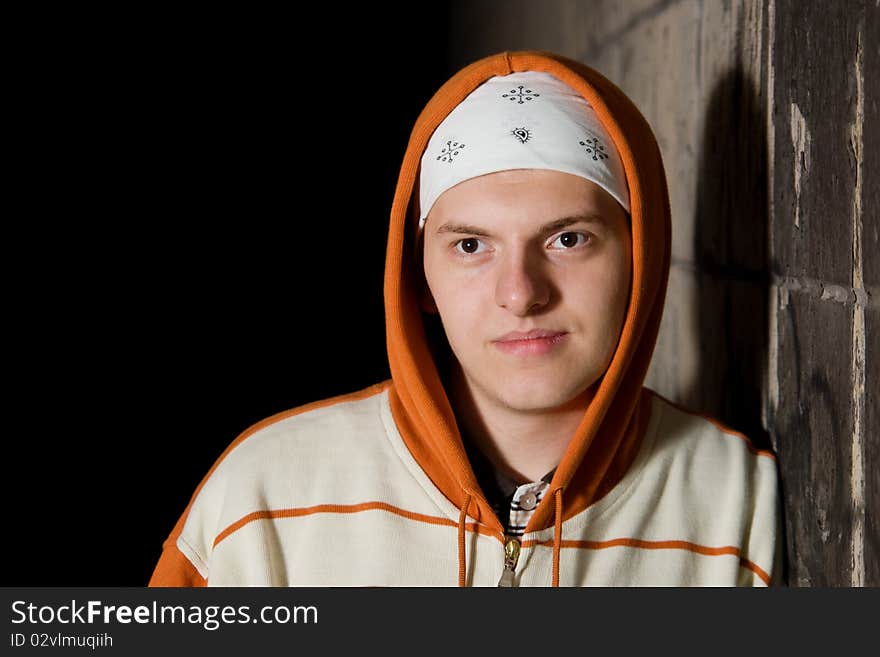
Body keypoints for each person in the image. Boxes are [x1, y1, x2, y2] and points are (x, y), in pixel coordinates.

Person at [149, 50, 782, 587]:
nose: (521, 293)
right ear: (419, 277)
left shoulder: (735, 500)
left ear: (639, 257)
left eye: (568, 239)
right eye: (471, 246)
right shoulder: (265, 496)